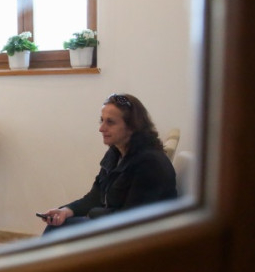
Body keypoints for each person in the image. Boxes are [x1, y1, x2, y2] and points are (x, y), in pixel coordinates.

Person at [39, 93, 177, 233]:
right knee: (57, 225)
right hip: (116, 226)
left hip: (140, 236)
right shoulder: (115, 152)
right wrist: (66, 211)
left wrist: (93, 214)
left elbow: (132, 219)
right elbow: (96, 196)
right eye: (102, 121)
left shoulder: (149, 163)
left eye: (110, 122)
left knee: (57, 230)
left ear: (132, 126)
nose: (101, 128)